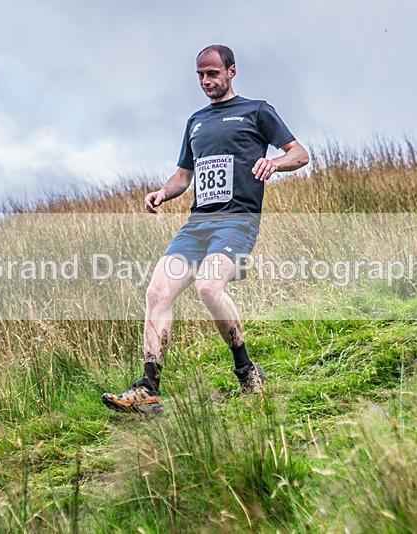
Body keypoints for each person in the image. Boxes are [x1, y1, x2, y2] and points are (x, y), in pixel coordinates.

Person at [102, 44, 309, 414]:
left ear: (231, 71)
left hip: (237, 221)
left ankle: (247, 371)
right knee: (156, 292)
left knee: (209, 287)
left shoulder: (256, 110)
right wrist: (163, 193)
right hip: (197, 224)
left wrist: (274, 163)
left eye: (212, 73)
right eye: (200, 75)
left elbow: (300, 153)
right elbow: (183, 176)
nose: (206, 81)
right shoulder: (195, 122)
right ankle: (148, 388)